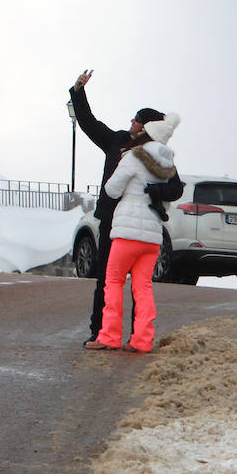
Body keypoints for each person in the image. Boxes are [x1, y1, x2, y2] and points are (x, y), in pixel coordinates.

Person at [69, 70, 184, 343]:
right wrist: (78, 92)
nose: (131, 122)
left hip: (137, 221)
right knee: (106, 281)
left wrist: (153, 190)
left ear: (144, 127)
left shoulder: (157, 154)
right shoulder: (118, 141)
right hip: (112, 221)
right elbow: (89, 123)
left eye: (136, 119)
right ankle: (100, 332)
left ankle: (133, 337)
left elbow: (176, 188)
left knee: (131, 284)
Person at [86, 111, 180, 353]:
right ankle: (142, 340)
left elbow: (112, 189)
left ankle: (109, 336)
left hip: (127, 230)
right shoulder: (168, 162)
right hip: (152, 235)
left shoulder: (132, 156)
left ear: (145, 133)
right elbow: (173, 189)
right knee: (143, 287)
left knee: (113, 282)